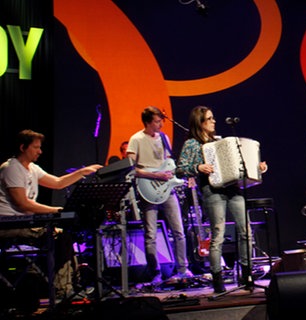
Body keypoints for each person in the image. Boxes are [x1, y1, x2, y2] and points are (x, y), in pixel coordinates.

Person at [0, 129, 102, 297]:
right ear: (23, 147)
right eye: (36, 147)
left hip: (25, 223)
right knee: (60, 238)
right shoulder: (11, 168)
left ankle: (68, 287)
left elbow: (58, 183)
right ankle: (63, 291)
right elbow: (23, 204)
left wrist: (82, 172)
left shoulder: (32, 168)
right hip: (10, 224)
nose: (40, 151)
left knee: (65, 236)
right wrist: (57, 211)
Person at [177, 105, 268, 294]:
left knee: (246, 231)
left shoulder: (219, 141)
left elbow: (240, 166)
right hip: (212, 191)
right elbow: (180, 168)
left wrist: (257, 168)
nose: (214, 121)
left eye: (213, 118)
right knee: (217, 235)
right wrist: (198, 167)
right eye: (209, 119)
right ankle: (217, 279)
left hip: (233, 189)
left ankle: (246, 274)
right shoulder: (192, 144)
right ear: (200, 122)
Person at [126, 106, 192, 285]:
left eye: (161, 120)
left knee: (179, 230)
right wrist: (155, 175)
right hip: (148, 188)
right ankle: (155, 273)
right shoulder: (136, 139)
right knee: (151, 234)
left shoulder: (164, 138)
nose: (161, 124)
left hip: (167, 187)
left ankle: (183, 270)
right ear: (147, 122)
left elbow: (168, 163)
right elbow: (131, 168)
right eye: (156, 121)